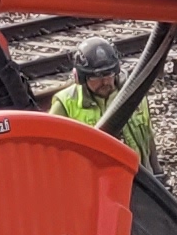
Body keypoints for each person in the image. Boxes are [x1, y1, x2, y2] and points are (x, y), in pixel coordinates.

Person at [50, 34, 155, 162]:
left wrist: (157, 172)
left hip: (137, 178)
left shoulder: (134, 93)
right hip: (92, 180)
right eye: (96, 77)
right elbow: (51, 150)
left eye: (108, 74)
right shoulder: (65, 104)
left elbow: (149, 138)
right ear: (81, 77)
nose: (105, 81)